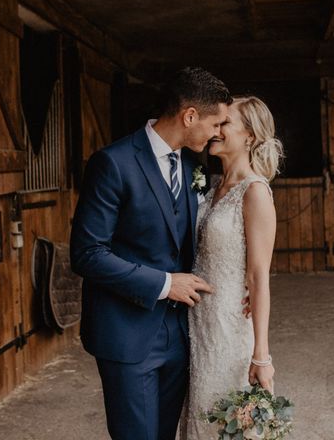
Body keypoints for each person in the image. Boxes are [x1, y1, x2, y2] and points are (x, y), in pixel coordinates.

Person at [70, 67, 233, 440]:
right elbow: (87, 253)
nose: (218, 132)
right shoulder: (113, 163)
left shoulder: (194, 164)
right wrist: (163, 284)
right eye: (216, 122)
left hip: (180, 333)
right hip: (127, 333)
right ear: (189, 116)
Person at [183, 96, 283, 439]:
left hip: (229, 330)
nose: (215, 128)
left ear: (249, 136)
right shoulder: (211, 188)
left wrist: (261, 355)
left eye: (225, 123)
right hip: (199, 326)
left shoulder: (254, 192)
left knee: (223, 421)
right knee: (198, 417)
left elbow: (258, 277)